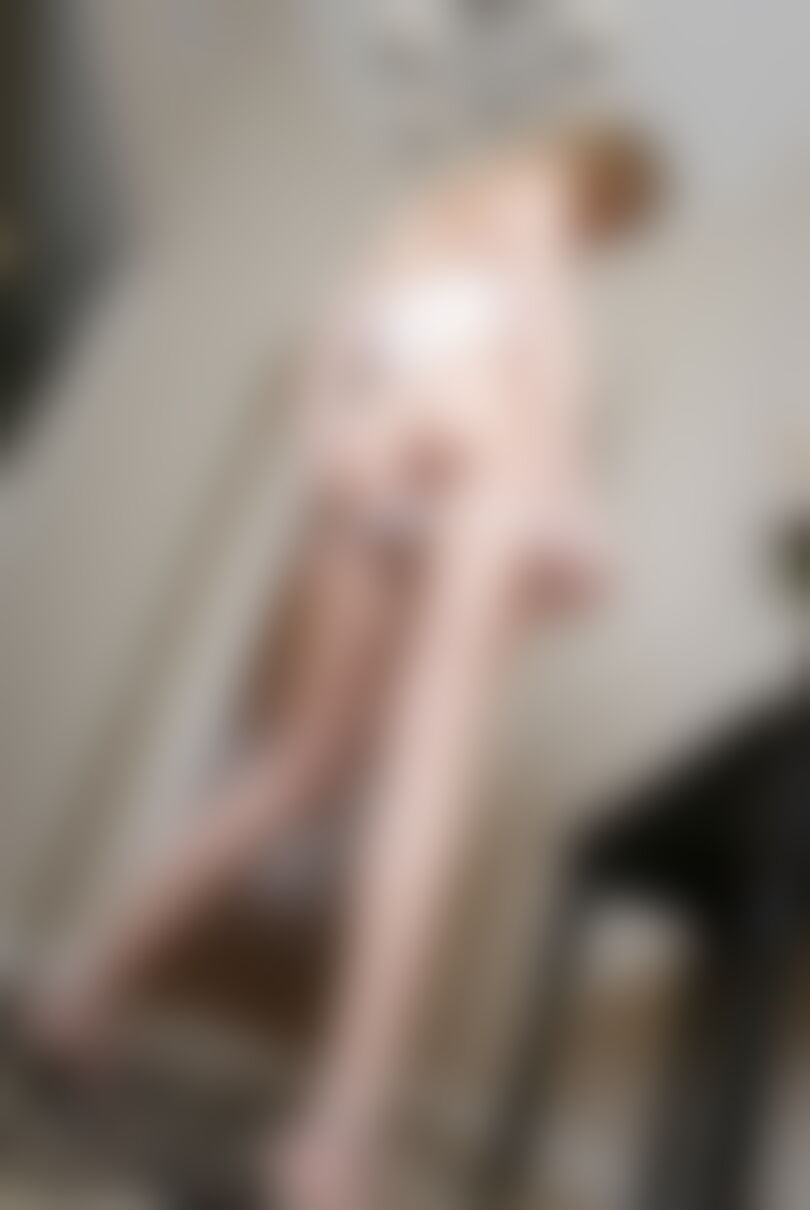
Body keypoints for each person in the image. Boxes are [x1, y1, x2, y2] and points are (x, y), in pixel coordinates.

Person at [27, 121, 662, 1209]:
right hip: (483, 466)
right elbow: (552, 341)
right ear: (605, 180)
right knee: (429, 781)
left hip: (370, 474)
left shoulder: (408, 232)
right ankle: (336, 1138)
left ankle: (81, 992)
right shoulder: (541, 193)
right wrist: (570, 497)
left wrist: (336, 454)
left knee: (296, 765)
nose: (594, 238)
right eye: (611, 225)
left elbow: (326, 371)